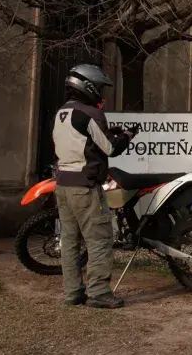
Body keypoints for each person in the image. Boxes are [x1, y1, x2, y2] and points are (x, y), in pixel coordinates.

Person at [53, 64, 138, 309]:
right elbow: (111, 148)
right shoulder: (91, 113)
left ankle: (73, 293)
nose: (101, 93)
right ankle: (99, 293)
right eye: (99, 87)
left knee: (69, 242)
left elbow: (80, 138)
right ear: (87, 86)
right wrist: (128, 136)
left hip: (63, 185)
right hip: (86, 186)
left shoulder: (62, 112)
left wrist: (108, 132)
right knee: (99, 240)